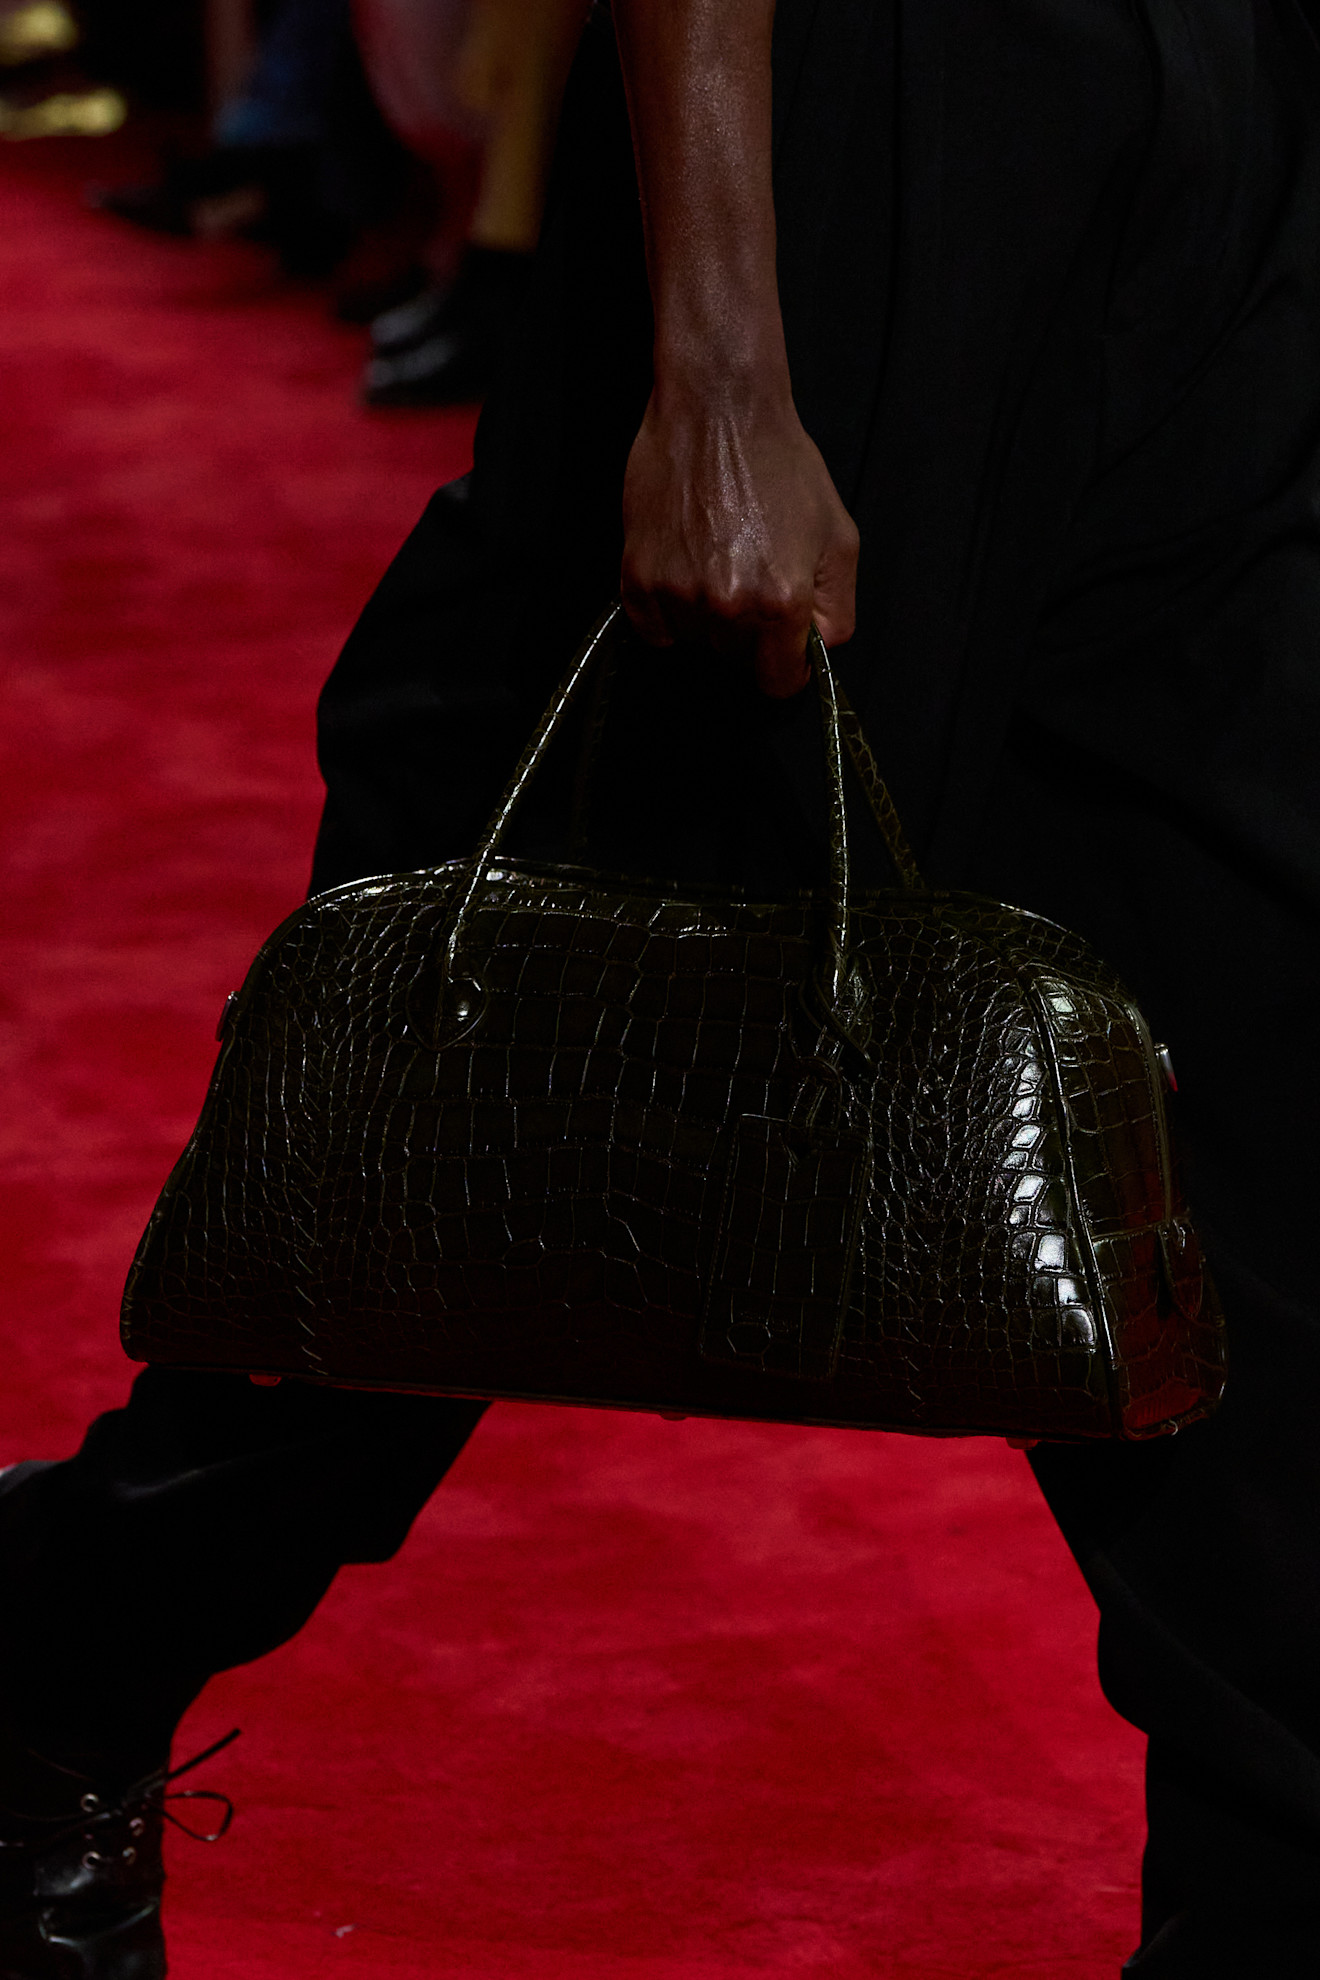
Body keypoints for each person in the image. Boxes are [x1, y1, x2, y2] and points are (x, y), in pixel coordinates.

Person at [3, 0, 1320, 1974]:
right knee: (514, 1086)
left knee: (1265, 1121)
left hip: (1226, 153)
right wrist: (714, 361)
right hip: (848, 158)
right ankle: (71, 1629)